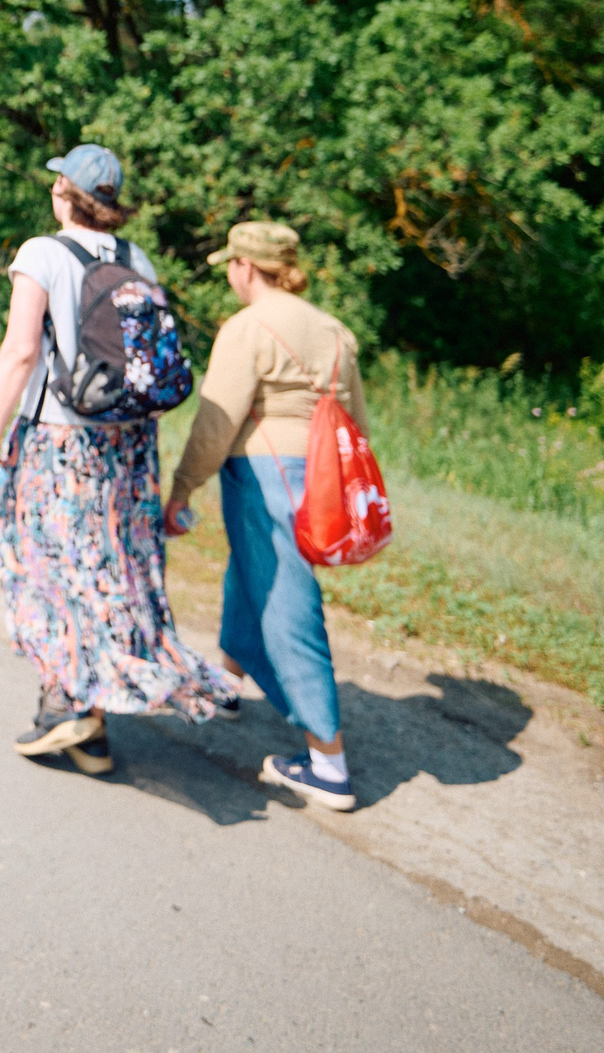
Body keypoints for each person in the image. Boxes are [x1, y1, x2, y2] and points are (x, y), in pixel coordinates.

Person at [0, 143, 232, 773]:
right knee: (110, 572)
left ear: (65, 194)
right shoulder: (138, 259)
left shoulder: (42, 253)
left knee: (46, 568)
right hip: (131, 446)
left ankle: (67, 705)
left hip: (61, 443)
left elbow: (21, 352)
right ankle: (92, 731)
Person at [168, 220, 368, 813]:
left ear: (245, 268)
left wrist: (181, 488)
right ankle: (228, 682)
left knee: (287, 603)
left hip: (265, 476)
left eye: (230, 265)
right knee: (251, 574)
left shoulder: (248, 327)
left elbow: (216, 423)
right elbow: (354, 421)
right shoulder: (336, 331)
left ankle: (327, 761)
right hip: (321, 478)